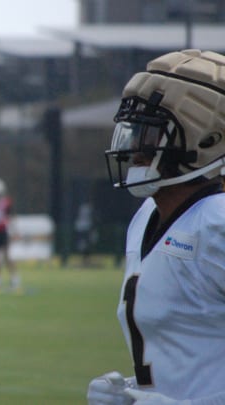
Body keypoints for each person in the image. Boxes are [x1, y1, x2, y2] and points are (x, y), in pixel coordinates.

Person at [88, 49, 225, 405]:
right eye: (132, 132)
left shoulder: (217, 223)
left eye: (150, 135)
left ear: (208, 141)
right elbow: (189, 354)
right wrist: (134, 389)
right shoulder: (147, 216)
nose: (135, 149)